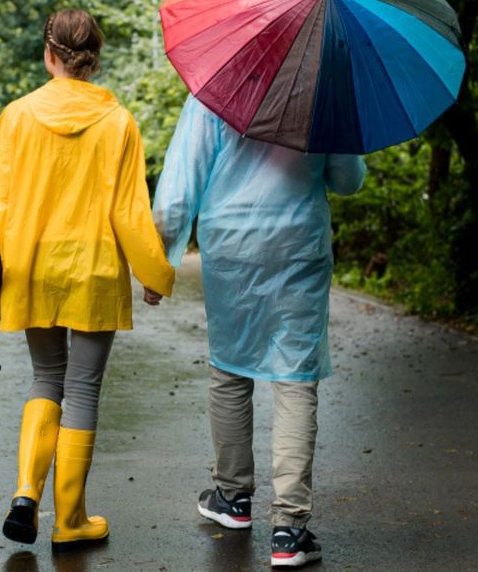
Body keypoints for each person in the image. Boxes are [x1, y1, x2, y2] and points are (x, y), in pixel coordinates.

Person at [0, 9, 175, 551]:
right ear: (95, 58)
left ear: (48, 54)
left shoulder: (16, 117)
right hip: (95, 269)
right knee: (82, 388)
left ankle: (24, 496)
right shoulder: (119, 121)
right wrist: (153, 273)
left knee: (45, 380)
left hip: (33, 268)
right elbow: (130, 211)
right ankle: (71, 521)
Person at [152, 94, 366, 568]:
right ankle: (290, 530)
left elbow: (177, 195)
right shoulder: (323, 91)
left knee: (230, 370)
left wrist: (159, 263)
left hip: (231, 249)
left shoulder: (213, 92)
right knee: (295, 377)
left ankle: (232, 497)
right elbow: (347, 181)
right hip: (299, 247)